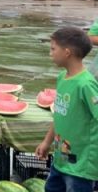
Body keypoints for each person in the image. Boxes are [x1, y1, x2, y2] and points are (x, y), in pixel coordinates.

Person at [35, 27, 98, 190]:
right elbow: (60, 114)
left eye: (53, 49)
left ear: (67, 52)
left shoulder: (86, 84)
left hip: (81, 166)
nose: (50, 53)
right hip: (60, 159)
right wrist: (46, 142)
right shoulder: (62, 78)